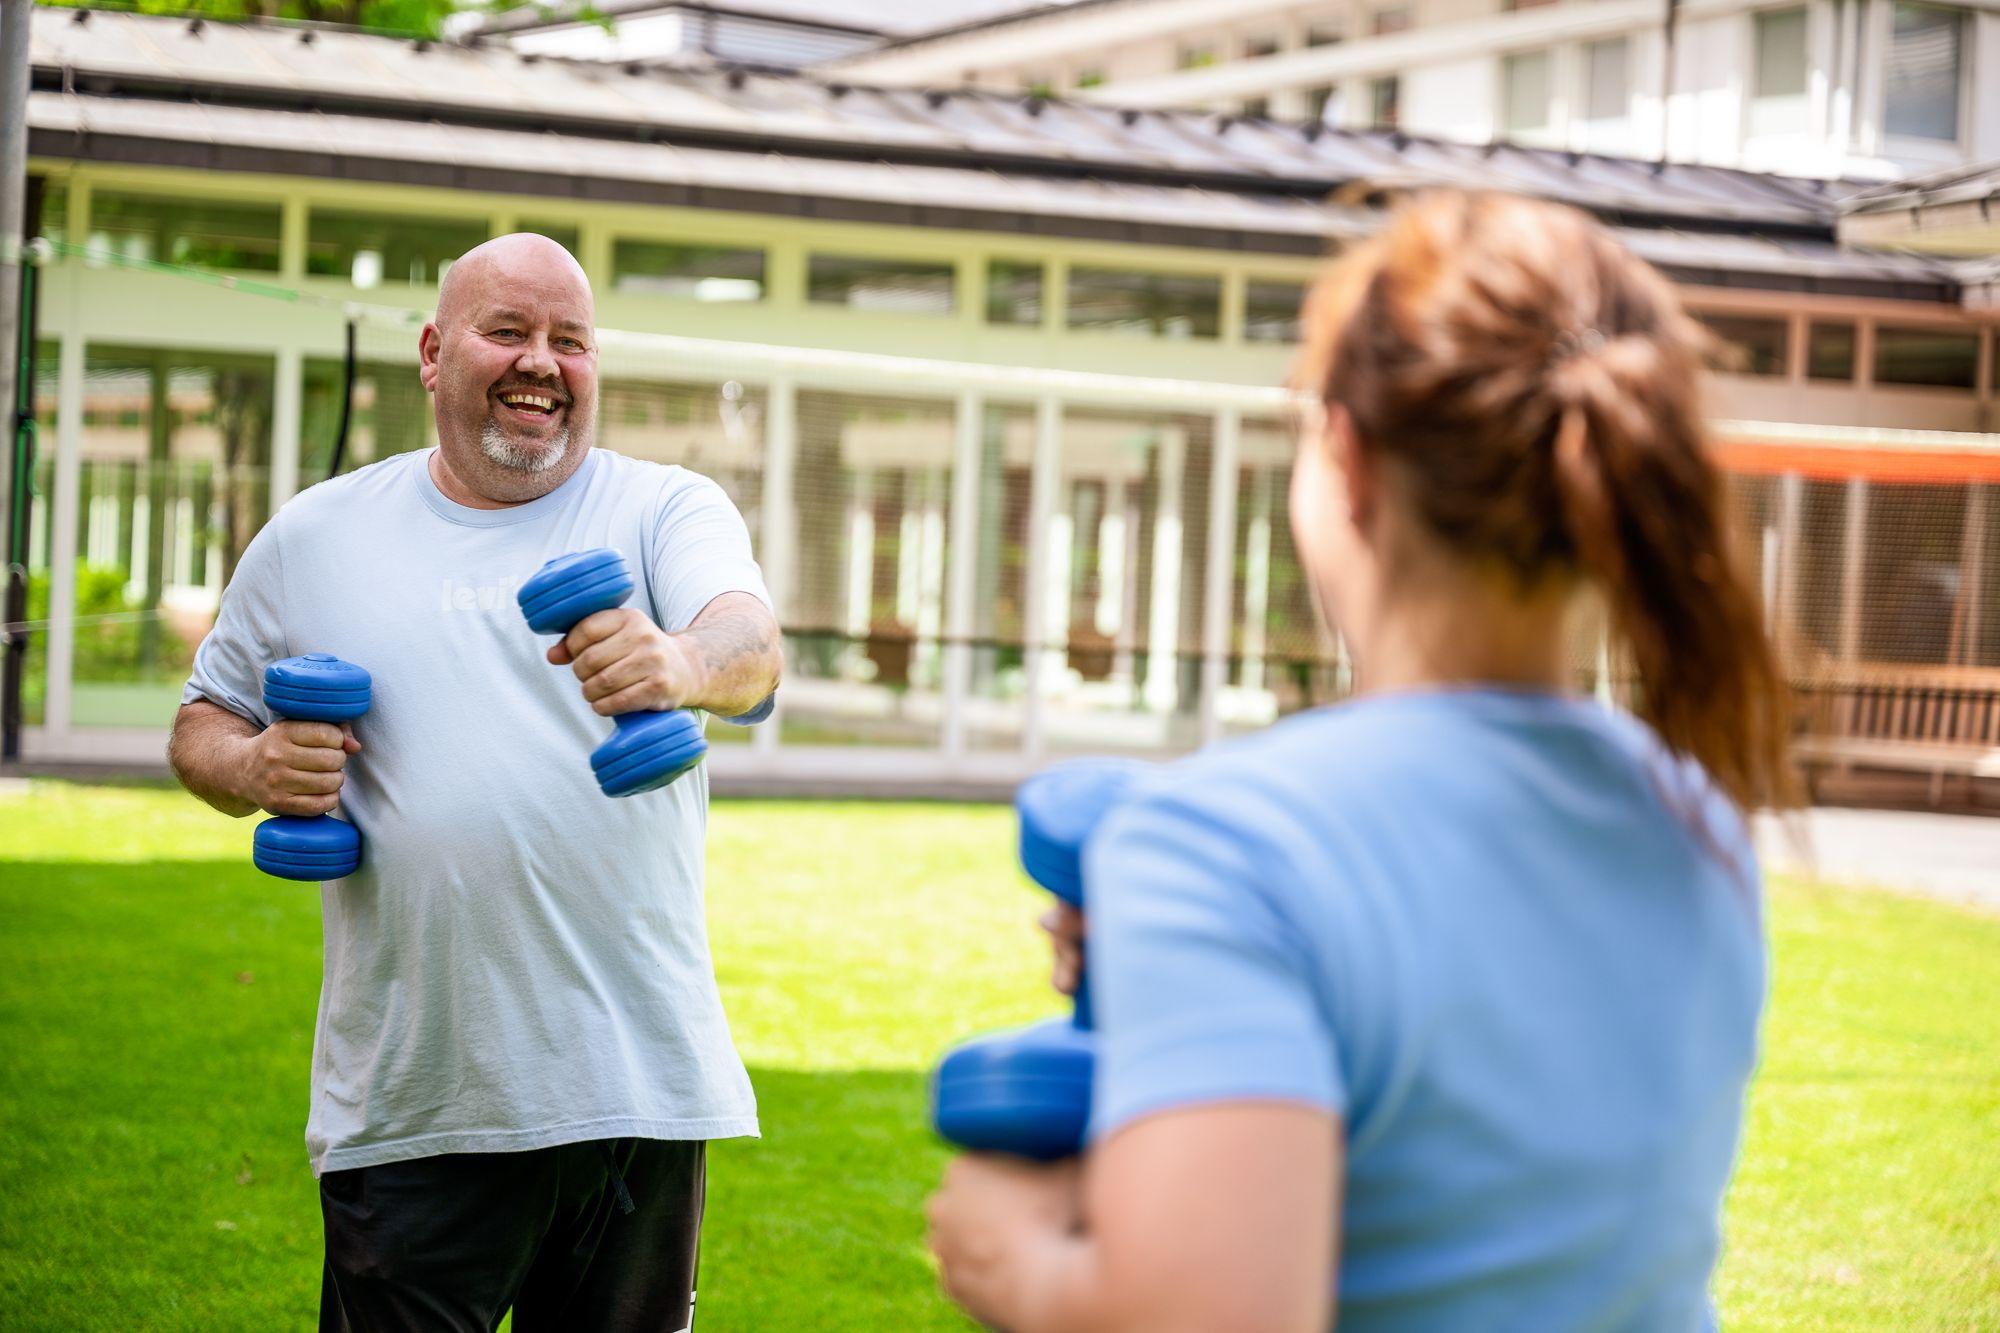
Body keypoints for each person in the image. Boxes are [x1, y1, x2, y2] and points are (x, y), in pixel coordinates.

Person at [925, 191, 1795, 1331]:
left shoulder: (1223, 842)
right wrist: (1187, 980)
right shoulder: (1694, 818)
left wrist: (1018, 1260)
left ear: (1345, 458)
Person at [168, 233, 783, 1332]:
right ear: (432, 351)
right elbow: (201, 720)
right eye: (507, 330)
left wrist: (682, 661)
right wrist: (256, 763)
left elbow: (750, 642)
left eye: (570, 341)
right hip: (415, 1103)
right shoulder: (318, 535)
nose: (541, 361)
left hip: (633, 1094)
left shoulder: (660, 509)